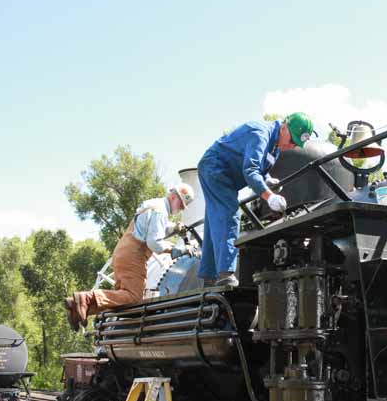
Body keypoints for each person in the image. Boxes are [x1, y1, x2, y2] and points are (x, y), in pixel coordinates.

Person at [198, 113, 313, 287]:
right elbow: (250, 171)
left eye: (296, 144)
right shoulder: (260, 134)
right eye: (292, 140)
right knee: (229, 213)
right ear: (284, 127)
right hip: (215, 169)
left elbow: (260, 169)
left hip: (220, 173)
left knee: (214, 220)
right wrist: (270, 197)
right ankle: (226, 274)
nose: (291, 145)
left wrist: (267, 180)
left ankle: (209, 277)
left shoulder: (275, 147)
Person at [64, 183, 195, 331]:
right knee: (134, 297)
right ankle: (86, 298)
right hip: (134, 255)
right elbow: (154, 243)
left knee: (122, 298)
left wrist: (175, 228)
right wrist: (177, 250)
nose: (181, 209)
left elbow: (154, 229)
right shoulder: (161, 211)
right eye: (181, 205)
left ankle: (76, 308)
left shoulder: (154, 205)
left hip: (123, 252)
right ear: (173, 196)